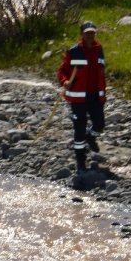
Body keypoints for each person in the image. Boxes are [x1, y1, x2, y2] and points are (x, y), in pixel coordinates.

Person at [57, 21, 106, 173]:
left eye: (92, 33)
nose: (90, 35)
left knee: (99, 124)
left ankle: (90, 137)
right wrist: (64, 82)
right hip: (78, 98)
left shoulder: (99, 50)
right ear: (82, 35)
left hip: (95, 96)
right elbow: (62, 71)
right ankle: (80, 161)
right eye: (87, 33)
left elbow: (101, 71)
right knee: (79, 128)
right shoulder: (74, 51)